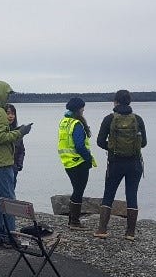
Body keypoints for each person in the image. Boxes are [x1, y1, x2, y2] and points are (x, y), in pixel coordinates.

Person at [0, 80, 32, 247]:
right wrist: (20, 132)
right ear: (1, 93)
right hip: (2, 162)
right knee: (9, 200)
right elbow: (0, 137)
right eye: (7, 94)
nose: (8, 97)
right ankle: (12, 236)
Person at [94, 90, 147, 240]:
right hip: (135, 163)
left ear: (115, 102)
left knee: (108, 194)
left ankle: (102, 230)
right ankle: (130, 233)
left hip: (115, 162)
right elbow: (143, 143)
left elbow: (99, 142)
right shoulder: (138, 119)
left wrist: (111, 147)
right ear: (129, 102)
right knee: (132, 195)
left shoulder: (109, 119)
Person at [58, 97, 96, 231]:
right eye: (83, 107)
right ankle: (74, 221)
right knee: (79, 191)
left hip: (67, 162)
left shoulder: (64, 121)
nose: (84, 109)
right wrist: (88, 158)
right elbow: (80, 145)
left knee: (76, 190)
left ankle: (72, 219)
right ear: (79, 109)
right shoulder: (76, 124)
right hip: (79, 162)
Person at [6, 104, 26, 177]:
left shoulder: (17, 132)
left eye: (13, 114)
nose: (11, 116)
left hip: (13, 169)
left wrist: (19, 164)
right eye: (8, 113)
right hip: (2, 169)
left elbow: (21, 150)